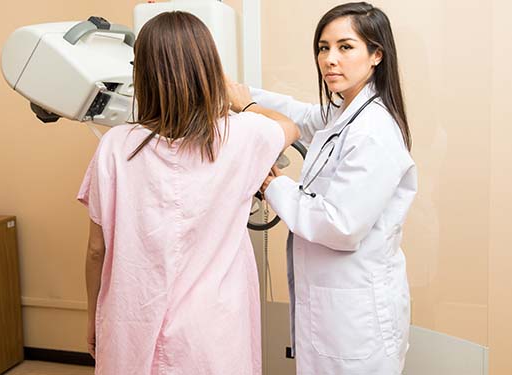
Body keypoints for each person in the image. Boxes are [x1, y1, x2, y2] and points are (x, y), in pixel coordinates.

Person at [77, 11, 299, 375]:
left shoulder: (115, 146)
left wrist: (93, 317)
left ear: (142, 74)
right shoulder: (241, 134)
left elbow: (96, 249)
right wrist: (241, 101)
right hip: (212, 331)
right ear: (210, 69)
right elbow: (287, 126)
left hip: (134, 323)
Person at [229, 2, 417, 374]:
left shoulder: (373, 132)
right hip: (336, 310)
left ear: (376, 54)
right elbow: (304, 116)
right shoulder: (346, 113)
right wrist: (244, 95)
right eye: (323, 47)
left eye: (346, 47)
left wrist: (273, 184)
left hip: (355, 319)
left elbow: (340, 225)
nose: (330, 59)